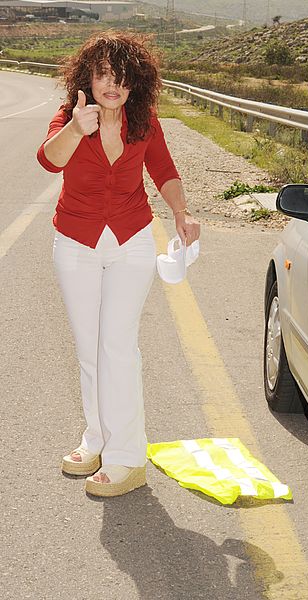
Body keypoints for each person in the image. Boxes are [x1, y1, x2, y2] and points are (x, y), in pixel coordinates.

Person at [36, 31, 200, 497]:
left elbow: (164, 172)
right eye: (104, 73)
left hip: (130, 242)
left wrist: (182, 212)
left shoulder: (144, 121)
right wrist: (77, 128)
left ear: (135, 84)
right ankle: (98, 438)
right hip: (76, 242)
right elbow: (49, 160)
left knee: (117, 347)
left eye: (122, 77)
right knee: (90, 349)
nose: (113, 84)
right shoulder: (71, 117)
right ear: (87, 76)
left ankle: (128, 458)